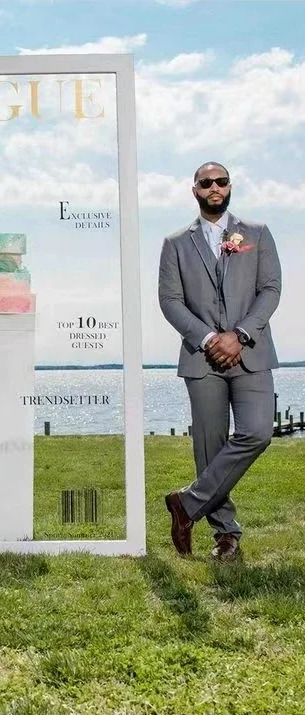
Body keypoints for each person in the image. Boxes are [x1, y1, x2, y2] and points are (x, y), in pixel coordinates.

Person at [158, 162, 281, 560]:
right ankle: (225, 534)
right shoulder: (175, 243)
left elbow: (270, 289)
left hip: (251, 352)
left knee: (258, 432)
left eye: (221, 181)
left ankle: (186, 504)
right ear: (195, 190)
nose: (215, 187)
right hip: (202, 358)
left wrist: (239, 335)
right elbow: (170, 301)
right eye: (206, 182)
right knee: (210, 448)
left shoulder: (257, 234)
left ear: (230, 187)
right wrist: (211, 338)